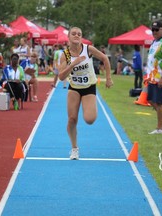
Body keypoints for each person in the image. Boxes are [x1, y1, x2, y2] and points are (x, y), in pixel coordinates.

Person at [58, 27, 113, 160]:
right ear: (69, 37)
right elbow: (60, 76)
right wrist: (73, 64)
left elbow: (105, 59)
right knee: (72, 119)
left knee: (89, 119)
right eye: (74, 33)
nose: (76, 35)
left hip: (89, 87)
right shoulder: (64, 55)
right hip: (74, 87)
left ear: (81, 37)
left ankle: (91, 106)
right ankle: (74, 148)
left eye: (79, 34)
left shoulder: (88, 49)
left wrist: (108, 78)